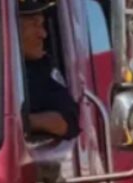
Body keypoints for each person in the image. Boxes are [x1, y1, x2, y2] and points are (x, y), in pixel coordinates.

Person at [19, 0, 80, 139]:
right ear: (9, 28)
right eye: (34, 24)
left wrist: (25, 122)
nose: (43, 34)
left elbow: (67, 122)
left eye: (42, 24)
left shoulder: (40, 69)